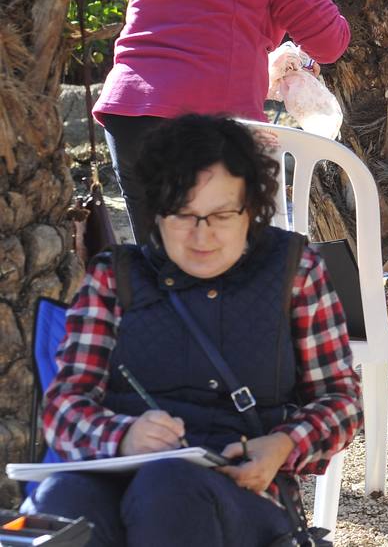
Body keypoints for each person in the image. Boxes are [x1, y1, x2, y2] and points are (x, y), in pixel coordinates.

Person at [24, 114, 361, 547]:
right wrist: (122, 436)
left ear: (252, 210)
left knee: (169, 488)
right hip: (119, 477)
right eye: (183, 214)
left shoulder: (294, 270)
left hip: (242, 493)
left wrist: (282, 445)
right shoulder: (114, 277)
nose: (202, 235)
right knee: (61, 499)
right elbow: (64, 405)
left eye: (221, 214)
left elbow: (341, 400)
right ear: (156, 214)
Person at [93, 0, 349, 245]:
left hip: (128, 117)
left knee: (160, 271)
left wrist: (263, 64)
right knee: (222, 275)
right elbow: (329, 40)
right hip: (201, 127)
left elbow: (186, 41)